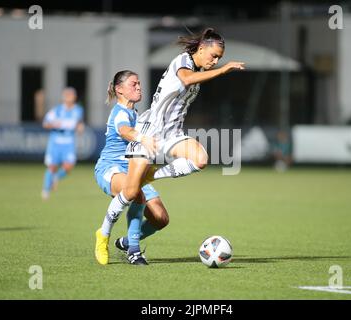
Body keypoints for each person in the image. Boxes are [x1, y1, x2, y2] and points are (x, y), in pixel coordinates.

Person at [103, 28, 245, 244]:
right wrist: (224, 70)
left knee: (201, 160)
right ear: (201, 48)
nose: (215, 61)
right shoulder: (182, 61)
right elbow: (186, 79)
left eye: (219, 58)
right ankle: (104, 233)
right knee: (132, 193)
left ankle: (150, 178)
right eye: (213, 55)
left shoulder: (196, 72)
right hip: (151, 131)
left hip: (172, 134)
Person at [94, 70, 169, 266]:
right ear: (119, 90)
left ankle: (126, 241)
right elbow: (124, 131)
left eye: (139, 83)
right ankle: (114, 240)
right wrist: (142, 137)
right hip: (110, 168)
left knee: (161, 219)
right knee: (135, 193)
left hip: (133, 170)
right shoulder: (120, 112)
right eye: (133, 84)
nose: (139, 87)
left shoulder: (137, 115)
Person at [41, 87, 84, 200]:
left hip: (69, 143)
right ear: (64, 97)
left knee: (68, 166)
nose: (70, 97)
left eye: (72, 95)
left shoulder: (78, 110)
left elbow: (79, 123)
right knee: (52, 166)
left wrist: (80, 128)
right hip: (55, 143)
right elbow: (45, 124)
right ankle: (46, 190)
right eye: (68, 95)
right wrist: (54, 124)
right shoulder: (57, 110)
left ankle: (56, 177)